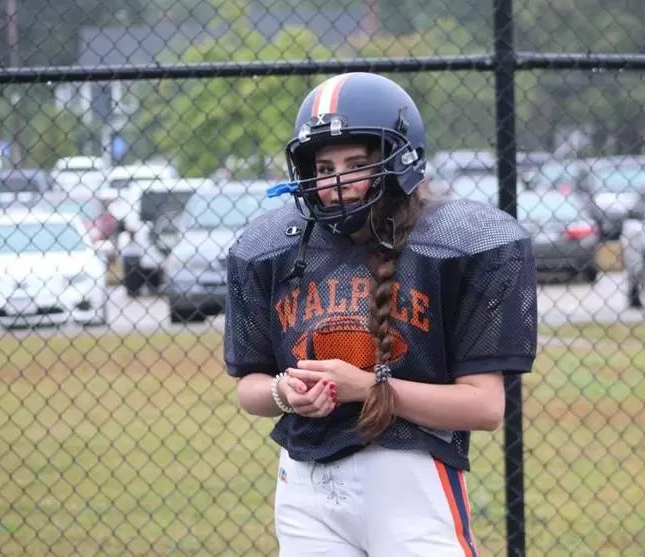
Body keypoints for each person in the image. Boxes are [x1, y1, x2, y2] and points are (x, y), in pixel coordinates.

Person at [225, 72, 537, 557]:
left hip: (409, 474)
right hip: (304, 483)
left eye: (356, 164)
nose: (337, 182)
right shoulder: (274, 248)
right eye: (324, 167)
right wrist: (284, 393)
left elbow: (485, 408)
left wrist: (368, 388)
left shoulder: (454, 243)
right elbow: (250, 389)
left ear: (400, 159)